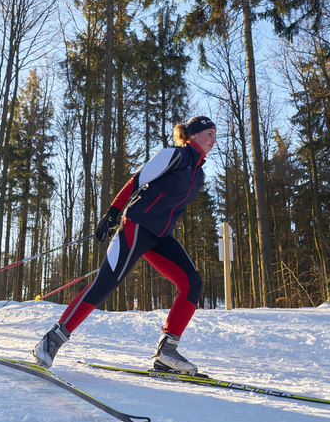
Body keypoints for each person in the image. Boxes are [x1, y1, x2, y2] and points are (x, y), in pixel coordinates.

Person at [33, 115, 216, 374]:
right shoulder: (173, 155)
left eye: (215, 134)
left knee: (192, 283)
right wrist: (111, 214)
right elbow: (137, 180)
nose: (214, 139)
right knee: (105, 284)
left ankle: (167, 351)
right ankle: (52, 339)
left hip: (161, 237)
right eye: (209, 133)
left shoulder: (198, 174)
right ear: (193, 135)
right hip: (137, 226)